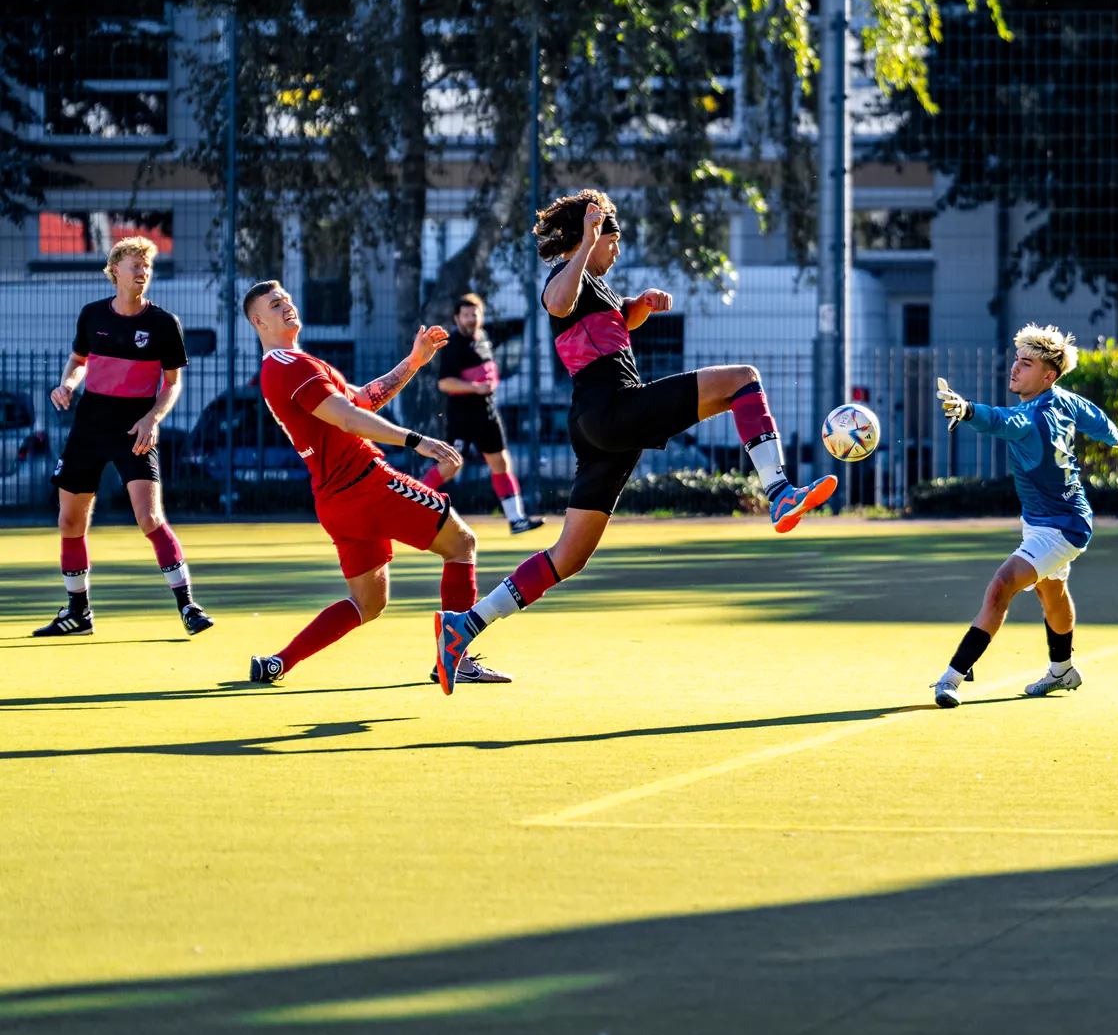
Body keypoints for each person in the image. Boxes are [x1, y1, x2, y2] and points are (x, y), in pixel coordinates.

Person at [431, 189, 837, 693]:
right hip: (614, 409)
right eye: (613, 239)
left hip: (597, 425)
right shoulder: (566, 276)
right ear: (588, 235)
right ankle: (779, 492)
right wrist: (587, 242)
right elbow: (556, 302)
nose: (617, 249)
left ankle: (464, 626)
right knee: (742, 380)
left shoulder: (595, 285)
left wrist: (643, 304)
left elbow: (619, 319)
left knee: (568, 556)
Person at [244, 280, 509, 687]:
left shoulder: (291, 364)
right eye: (276, 304)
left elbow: (362, 401)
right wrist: (416, 440)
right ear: (259, 322)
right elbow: (349, 419)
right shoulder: (289, 366)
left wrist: (413, 362)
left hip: (335, 501)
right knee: (461, 544)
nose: (287, 306)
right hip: (367, 485)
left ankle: (277, 662)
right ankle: (456, 659)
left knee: (368, 603)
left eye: (287, 299)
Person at [927, 324, 1118, 708]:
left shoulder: (1030, 418)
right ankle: (1063, 670)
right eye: (1017, 359)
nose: (1015, 368)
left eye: (1026, 364)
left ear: (1048, 376)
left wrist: (968, 409)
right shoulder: (1063, 400)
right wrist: (1116, 436)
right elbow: (1094, 419)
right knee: (1051, 592)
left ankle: (953, 677)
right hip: (1050, 520)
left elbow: (999, 421)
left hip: (1061, 527)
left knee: (1001, 585)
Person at [35, 236, 214, 638]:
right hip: (89, 425)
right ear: (115, 270)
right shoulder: (92, 315)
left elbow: (172, 383)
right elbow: (78, 361)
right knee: (69, 520)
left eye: (147, 266)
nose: (143, 272)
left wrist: (152, 418)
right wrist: (67, 384)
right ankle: (78, 613)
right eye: (136, 265)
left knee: (149, 517)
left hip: (135, 427)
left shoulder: (163, 324)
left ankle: (188, 606)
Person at [422, 292, 545, 534]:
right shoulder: (453, 347)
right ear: (457, 318)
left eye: (474, 314)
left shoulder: (483, 339)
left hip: (488, 415)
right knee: (450, 466)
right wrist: (475, 387)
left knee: (501, 463)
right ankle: (412, 503)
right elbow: (444, 383)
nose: (471, 319)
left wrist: (486, 385)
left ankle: (516, 520)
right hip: (463, 418)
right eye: (466, 315)